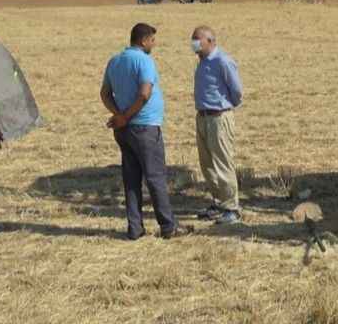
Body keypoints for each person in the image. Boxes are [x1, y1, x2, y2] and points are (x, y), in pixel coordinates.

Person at [101, 23, 192, 240]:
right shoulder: (144, 61)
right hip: (144, 127)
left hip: (124, 130)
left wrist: (119, 115)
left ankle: (135, 228)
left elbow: (105, 93)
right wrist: (127, 116)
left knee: (131, 178)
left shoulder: (114, 61)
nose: (154, 44)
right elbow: (144, 94)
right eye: (152, 40)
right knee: (155, 177)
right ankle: (168, 226)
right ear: (143, 41)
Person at [190, 25, 244, 225]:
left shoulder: (223, 61)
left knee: (223, 163)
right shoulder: (202, 62)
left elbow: (237, 91)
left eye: (197, 39)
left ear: (211, 41)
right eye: (193, 39)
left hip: (219, 118)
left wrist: (226, 108)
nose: (194, 43)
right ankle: (218, 202)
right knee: (208, 165)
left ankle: (232, 207)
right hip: (203, 117)